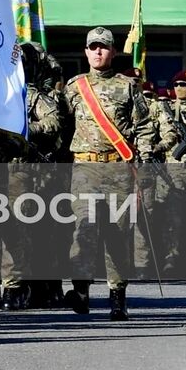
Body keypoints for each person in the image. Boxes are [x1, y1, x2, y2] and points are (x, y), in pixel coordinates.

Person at [60, 27, 150, 321]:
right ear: (85, 51)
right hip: (84, 168)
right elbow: (61, 127)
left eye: (104, 47)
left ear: (113, 52)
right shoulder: (74, 87)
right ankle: (81, 290)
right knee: (83, 228)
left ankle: (117, 297)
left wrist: (145, 162)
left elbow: (145, 126)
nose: (98, 52)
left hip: (117, 169)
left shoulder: (127, 86)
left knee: (117, 233)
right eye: (93, 47)